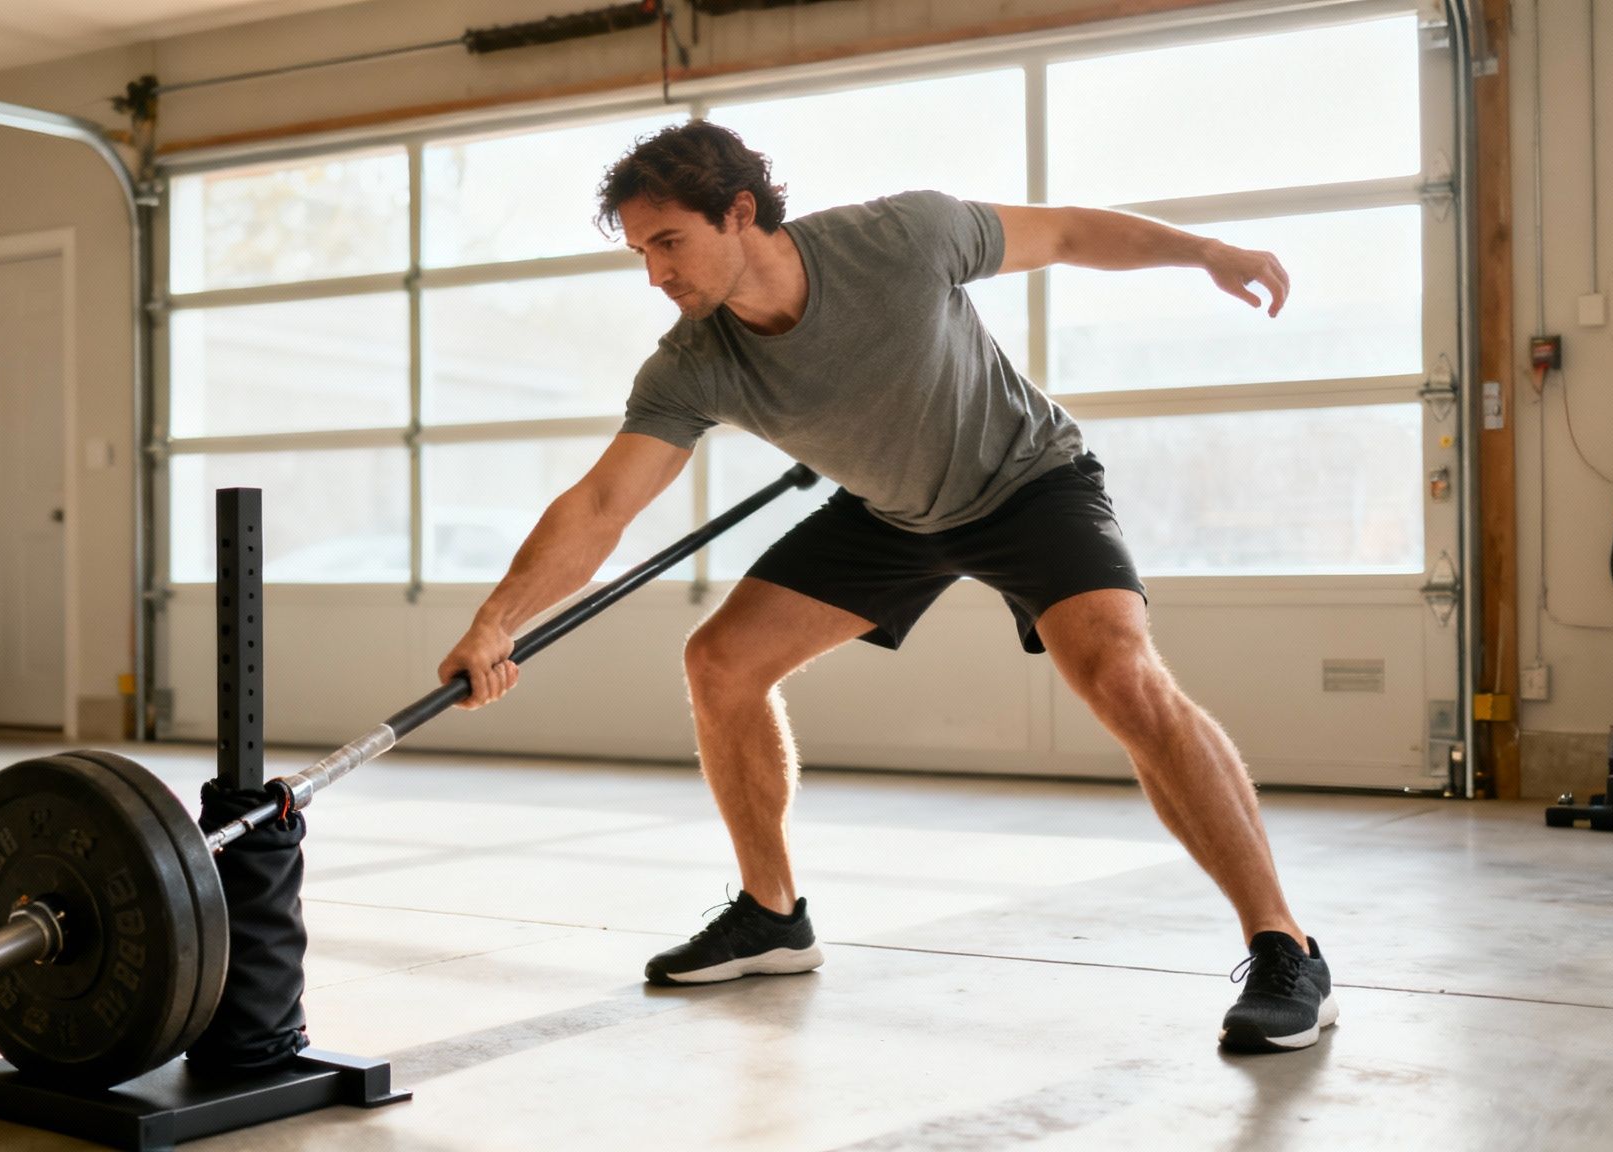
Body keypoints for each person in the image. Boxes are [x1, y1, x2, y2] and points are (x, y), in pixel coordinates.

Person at [435, 121, 1335, 1054]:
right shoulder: (692, 363)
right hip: (896, 514)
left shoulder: (901, 239)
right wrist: (494, 621)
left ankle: (1285, 946)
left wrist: (1207, 252)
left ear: (739, 213)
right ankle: (773, 914)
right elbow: (600, 506)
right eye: (639, 252)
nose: (655, 275)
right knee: (722, 661)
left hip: (1028, 483)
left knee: (1118, 674)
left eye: (668, 242)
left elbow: (1065, 232)